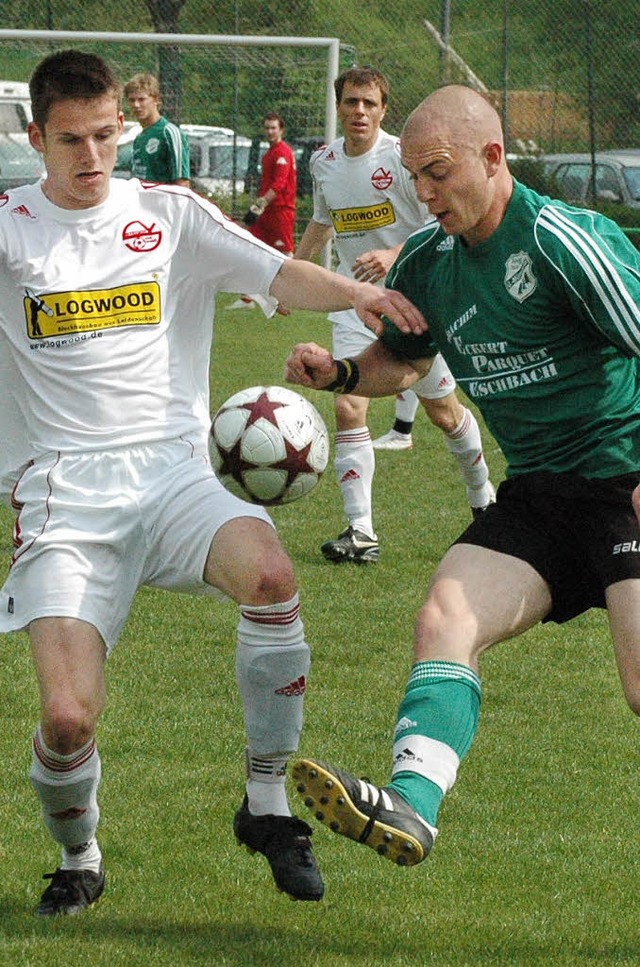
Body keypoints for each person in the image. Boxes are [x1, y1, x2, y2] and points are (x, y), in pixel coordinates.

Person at [0, 49, 422, 916]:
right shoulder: (9, 229)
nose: (92, 158)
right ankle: (80, 854)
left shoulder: (169, 215)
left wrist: (358, 295)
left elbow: (275, 272)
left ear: (125, 127)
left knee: (271, 575)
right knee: (70, 717)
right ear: (35, 136)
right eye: (71, 140)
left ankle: (266, 802)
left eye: (107, 136)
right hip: (62, 497)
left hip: (174, 473)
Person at [285, 84, 640, 870]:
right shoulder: (428, 261)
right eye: (414, 176)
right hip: (540, 496)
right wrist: (341, 372)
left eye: (438, 172)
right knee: (446, 611)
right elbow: (406, 362)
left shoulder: (560, 241)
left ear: (491, 155)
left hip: (625, 482)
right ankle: (412, 803)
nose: (423, 192)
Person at [293, 67, 495, 564]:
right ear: (338, 107)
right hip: (353, 300)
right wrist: (289, 276)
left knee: (444, 414)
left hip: (415, 298)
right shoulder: (323, 161)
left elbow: (439, 224)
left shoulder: (401, 159)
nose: (359, 111)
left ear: (384, 110)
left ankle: (484, 499)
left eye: (368, 103)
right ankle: (360, 531)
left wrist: (393, 255)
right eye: (350, 102)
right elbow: (322, 223)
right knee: (346, 402)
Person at [227, 112, 297, 310]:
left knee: (285, 254)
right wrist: (260, 206)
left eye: (273, 128)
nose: (270, 131)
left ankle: (289, 297)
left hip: (281, 211)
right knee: (250, 247)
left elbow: (280, 184)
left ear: (281, 130)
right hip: (266, 212)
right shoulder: (269, 153)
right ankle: (247, 297)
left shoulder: (283, 153)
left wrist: (261, 203)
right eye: (267, 128)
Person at [124, 72, 190, 186]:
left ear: (156, 99)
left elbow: (182, 182)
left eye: (141, 99)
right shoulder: (139, 138)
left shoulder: (169, 132)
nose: (136, 105)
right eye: (131, 100)